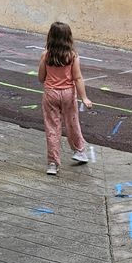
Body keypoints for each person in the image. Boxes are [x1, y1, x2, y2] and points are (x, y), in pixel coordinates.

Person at [38, 22, 92, 174]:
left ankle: (53, 164)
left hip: (51, 93)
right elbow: (78, 78)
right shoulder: (72, 56)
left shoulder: (46, 55)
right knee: (72, 122)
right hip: (68, 93)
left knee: (52, 128)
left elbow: (41, 78)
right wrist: (84, 98)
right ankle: (79, 151)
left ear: (51, 37)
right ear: (68, 38)